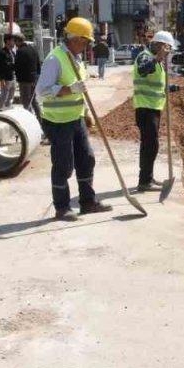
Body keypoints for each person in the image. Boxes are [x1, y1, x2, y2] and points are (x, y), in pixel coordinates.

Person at [35, 17, 112, 221]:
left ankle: (87, 202)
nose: (87, 45)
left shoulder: (76, 59)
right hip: (58, 122)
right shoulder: (55, 59)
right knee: (63, 165)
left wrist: (85, 111)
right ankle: (62, 207)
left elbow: (80, 91)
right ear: (75, 38)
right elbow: (41, 91)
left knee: (86, 159)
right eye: (85, 41)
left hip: (75, 118)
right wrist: (69, 89)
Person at [133, 30, 181, 192]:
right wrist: (157, 58)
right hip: (145, 108)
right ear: (159, 45)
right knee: (150, 146)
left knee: (150, 145)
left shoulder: (157, 62)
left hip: (153, 108)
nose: (168, 53)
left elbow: (160, 87)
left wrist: (178, 88)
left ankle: (147, 177)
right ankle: (144, 181)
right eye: (167, 49)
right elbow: (142, 70)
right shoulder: (145, 57)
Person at [13, 33, 42, 117]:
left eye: (15, 41)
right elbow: (38, 64)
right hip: (34, 79)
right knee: (33, 100)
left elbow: (17, 66)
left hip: (24, 80)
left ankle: (30, 119)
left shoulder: (20, 51)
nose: (15, 44)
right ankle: (40, 118)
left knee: (26, 101)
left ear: (18, 41)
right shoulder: (33, 49)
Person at [0, 34, 17, 110]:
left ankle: (8, 108)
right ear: (7, 41)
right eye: (13, 41)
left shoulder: (12, 52)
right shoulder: (1, 52)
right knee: (4, 95)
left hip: (13, 77)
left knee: (11, 96)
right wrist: (1, 79)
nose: (14, 43)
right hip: (6, 78)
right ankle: (0, 110)